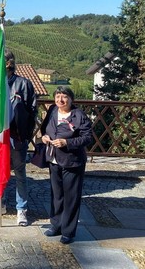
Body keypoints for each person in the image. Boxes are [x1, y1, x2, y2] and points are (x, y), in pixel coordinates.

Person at [0, 49, 37, 226]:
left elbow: (32, 111)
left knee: (20, 172)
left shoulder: (24, 84)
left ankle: (21, 209)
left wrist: (25, 135)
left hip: (17, 137)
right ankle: (0, 203)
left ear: (7, 63)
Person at [41, 86, 93, 244]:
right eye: (58, 96)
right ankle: (56, 224)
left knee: (71, 197)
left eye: (64, 97)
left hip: (72, 161)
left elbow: (88, 137)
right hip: (54, 159)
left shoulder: (78, 115)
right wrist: (44, 137)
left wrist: (67, 142)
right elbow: (44, 129)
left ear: (71, 99)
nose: (60, 100)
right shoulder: (52, 110)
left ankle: (68, 231)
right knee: (57, 195)